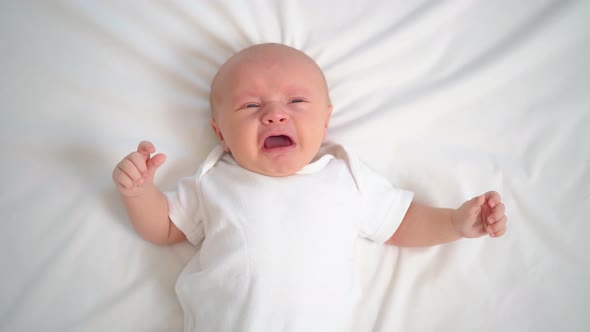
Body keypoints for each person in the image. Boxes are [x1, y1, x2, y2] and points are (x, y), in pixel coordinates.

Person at [112, 43, 507, 331]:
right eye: (250, 106)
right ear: (220, 132)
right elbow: (164, 228)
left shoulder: (345, 177)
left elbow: (400, 221)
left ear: (326, 121)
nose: (274, 114)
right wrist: (139, 193)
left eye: (296, 101)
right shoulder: (214, 180)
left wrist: (454, 223)